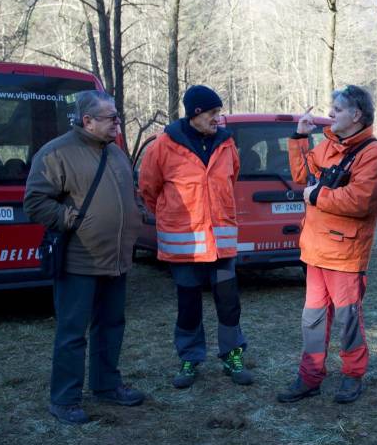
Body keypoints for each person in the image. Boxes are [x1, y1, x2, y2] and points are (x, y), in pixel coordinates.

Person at [24, 90, 144, 425]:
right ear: (87, 120)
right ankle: (64, 399)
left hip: (116, 258)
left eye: (117, 116)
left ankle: (106, 386)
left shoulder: (116, 153)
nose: (117, 123)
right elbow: (35, 202)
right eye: (111, 118)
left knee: (112, 325)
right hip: (79, 259)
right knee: (72, 332)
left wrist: (136, 217)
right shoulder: (57, 152)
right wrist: (71, 220)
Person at [277, 86, 377, 404]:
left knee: (348, 318)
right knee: (312, 318)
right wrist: (300, 139)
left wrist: (316, 195)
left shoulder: (374, 154)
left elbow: (359, 201)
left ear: (356, 115)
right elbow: (303, 176)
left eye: (337, 109)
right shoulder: (326, 146)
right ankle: (310, 376)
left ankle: (353, 375)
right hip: (315, 250)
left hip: (345, 254)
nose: (330, 114)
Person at [138, 85, 253, 389]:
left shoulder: (227, 144)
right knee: (188, 304)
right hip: (183, 243)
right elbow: (148, 189)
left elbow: (232, 178)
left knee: (229, 303)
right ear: (196, 113)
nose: (219, 118)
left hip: (221, 243)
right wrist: (170, 213)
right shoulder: (163, 145)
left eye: (219, 112)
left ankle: (232, 355)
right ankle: (190, 358)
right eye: (214, 113)